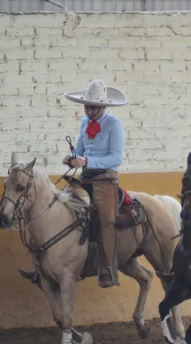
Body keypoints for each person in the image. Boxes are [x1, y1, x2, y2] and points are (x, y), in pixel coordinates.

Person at [62, 79, 127, 288]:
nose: (90, 111)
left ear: (103, 107)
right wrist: (72, 158)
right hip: (86, 177)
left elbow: (116, 158)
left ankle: (107, 268)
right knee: (61, 206)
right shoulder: (84, 123)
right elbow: (80, 150)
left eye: (94, 108)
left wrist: (87, 161)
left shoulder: (114, 125)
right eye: (87, 107)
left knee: (107, 219)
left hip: (106, 179)